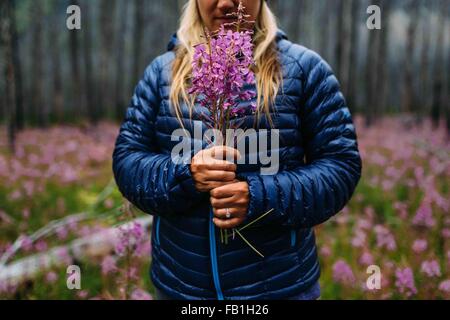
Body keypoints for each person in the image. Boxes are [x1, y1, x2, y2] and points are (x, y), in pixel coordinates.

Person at [112, 0, 362, 300]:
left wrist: (259, 196)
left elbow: (341, 168)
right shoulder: (161, 74)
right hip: (181, 290)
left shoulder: (304, 70)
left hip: (280, 290)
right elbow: (127, 161)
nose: (226, 2)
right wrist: (185, 176)